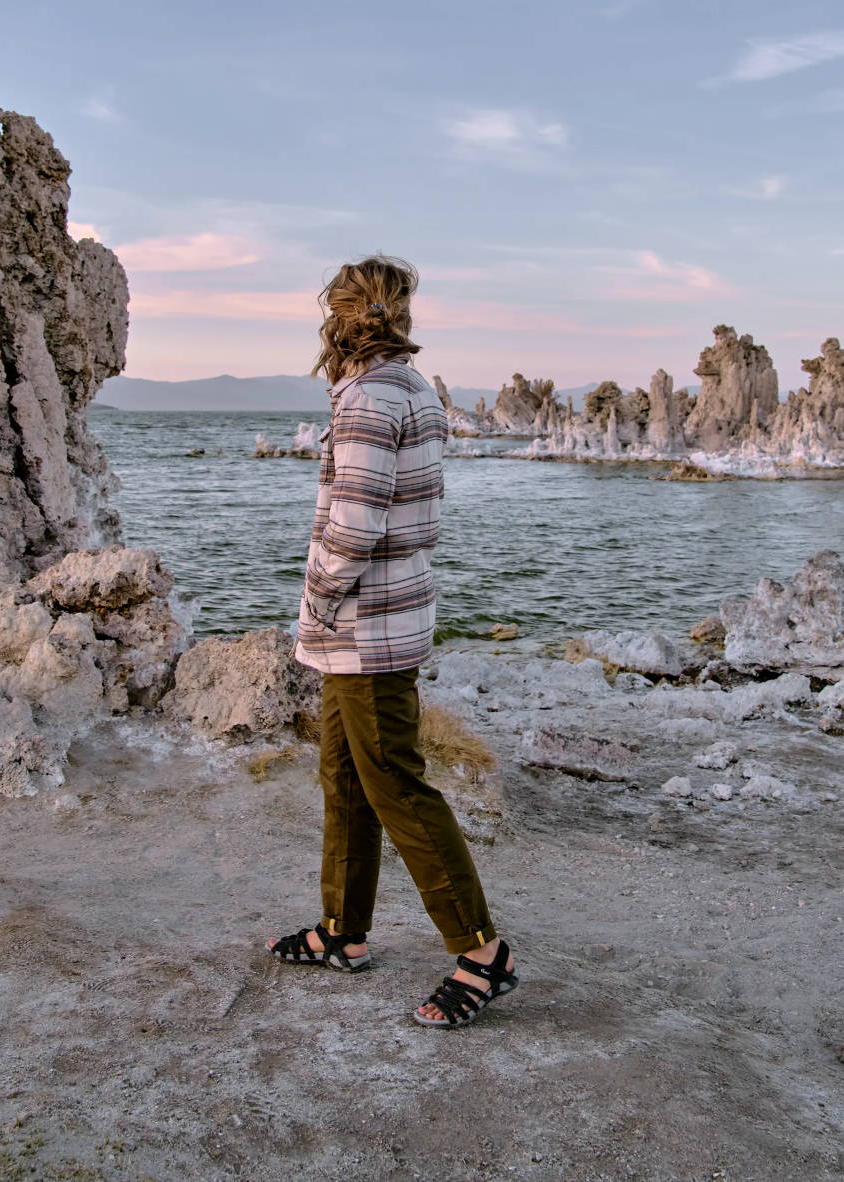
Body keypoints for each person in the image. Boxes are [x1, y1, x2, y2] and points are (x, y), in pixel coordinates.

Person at [265, 255, 518, 1027]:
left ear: (338, 317)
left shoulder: (371, 396)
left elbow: (356, 521)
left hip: (366, 627)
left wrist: (315, 602)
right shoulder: (407, 388)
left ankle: (482, 953)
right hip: (376, 623)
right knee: (344, 780)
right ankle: (343, 931)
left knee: (398, 785)